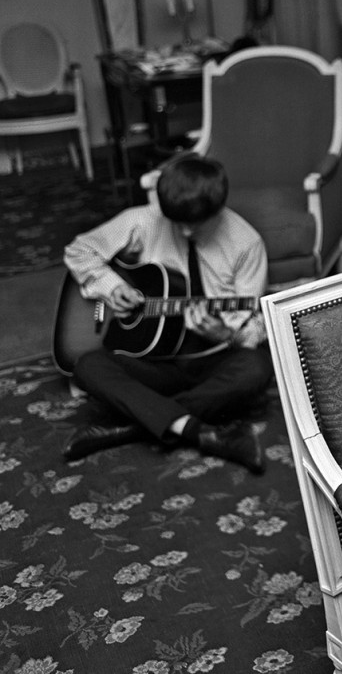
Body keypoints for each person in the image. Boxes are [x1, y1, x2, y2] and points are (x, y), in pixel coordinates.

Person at [62, 153, 271, 474]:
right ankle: (198, 429)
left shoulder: (246, 244)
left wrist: (226, 335)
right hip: (152, 359)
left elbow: (255, 326)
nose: (186, 232)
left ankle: (136, 423)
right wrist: (111, 285)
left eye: (196, 223)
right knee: (88, 365)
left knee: (256, 368)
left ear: (217, 207)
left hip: (210, 360)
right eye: (178, 222)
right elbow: (80, 250)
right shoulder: (145, 220)